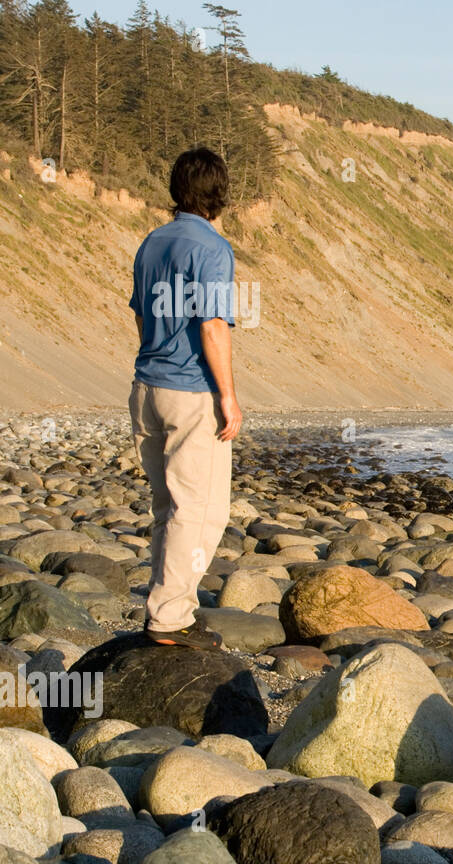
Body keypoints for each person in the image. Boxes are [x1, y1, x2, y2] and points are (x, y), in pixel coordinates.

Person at [128, 146, 243, 648]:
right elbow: (213, 325)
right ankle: (170, 617)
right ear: (219, 195)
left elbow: (140, 314)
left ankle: (168, 606)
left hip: (146, 386)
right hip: (190, 389)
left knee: (167, 507)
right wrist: (229, 397)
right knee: (201, 510)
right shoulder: (212, 248)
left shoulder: (153, 241)